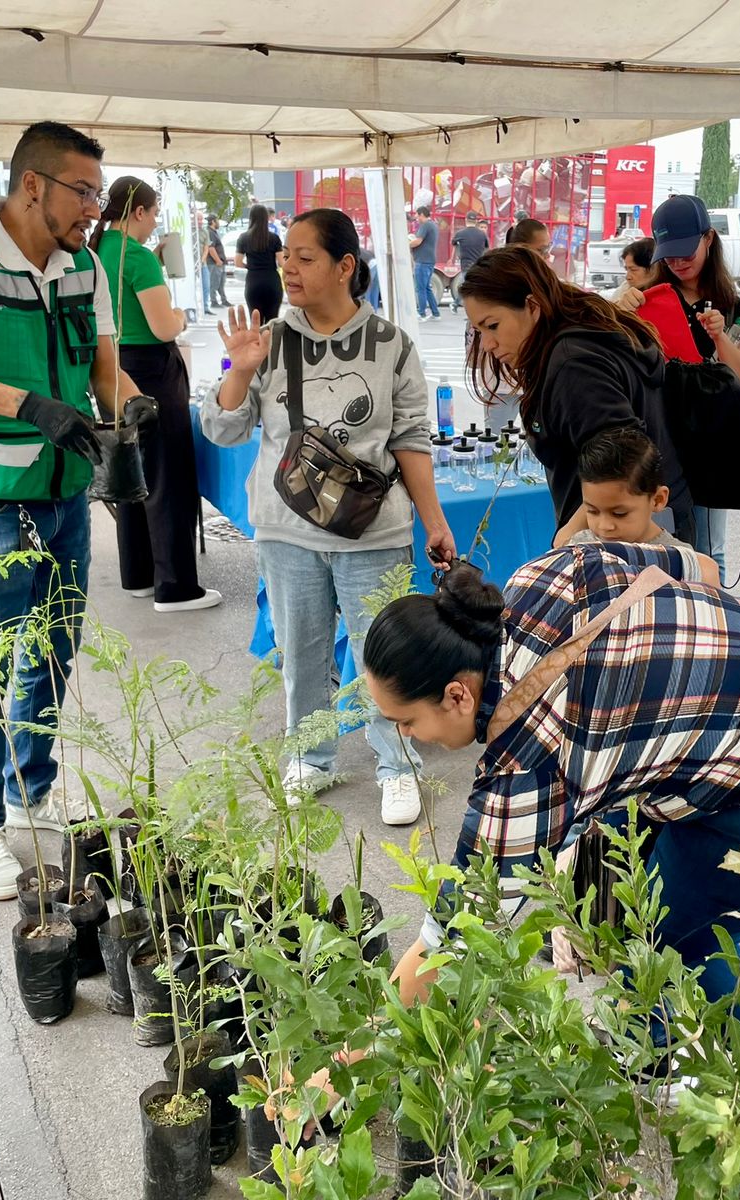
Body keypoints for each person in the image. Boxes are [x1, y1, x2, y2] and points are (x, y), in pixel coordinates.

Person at [361, 544, 740, 1046]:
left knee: (665, 941)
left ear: (457, 695)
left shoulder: (528, 761)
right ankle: (656, 1045)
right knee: (627, 897)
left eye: (404, 722)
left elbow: (450, 942)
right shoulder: (544, 576)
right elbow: (701, 570)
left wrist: (340, 1066)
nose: (406, 738)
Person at [0, 121, 147, 900]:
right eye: (84, 193)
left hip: (66, 494)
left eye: (101, 195)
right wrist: (27, 405)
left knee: (51, 650)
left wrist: (133, 408)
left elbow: (107, 370)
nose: (95, 211)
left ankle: (29, 790)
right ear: (33, 184)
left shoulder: (86, 265)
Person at [206, 208, 454, 827]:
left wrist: (434, 521)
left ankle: (397, 765)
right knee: (302, 650)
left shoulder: (392, 345)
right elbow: (224, 428)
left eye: (304, 256)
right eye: (284, 254)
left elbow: (411, 438)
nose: (287, 265)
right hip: (286, 530)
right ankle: (310, 758)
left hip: (374, 529)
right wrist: (239, 368)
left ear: (345, 266)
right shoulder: (268, 340)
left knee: (384, 653)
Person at [459, 245, 676, 538]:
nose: (487, 344)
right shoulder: (583, 333)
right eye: (478, 331)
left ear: (533, 306)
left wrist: (566, 539)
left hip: (615, 544)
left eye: (493, 326)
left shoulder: (574, 364)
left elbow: (623, 457)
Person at [91, 177, 220, 614]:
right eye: (154, 213)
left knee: (132, 469)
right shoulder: (139, 257)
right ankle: (176, 586)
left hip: (113, 366)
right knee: (168, 475)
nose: (154, 224)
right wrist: (180, 315)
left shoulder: (98, 250)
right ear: (140, 212)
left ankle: (140, 575)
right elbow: (164, 325)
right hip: (152, 370)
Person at [648, 194, 740, 576]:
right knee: (660, 549)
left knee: (710, 551)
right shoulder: (650, 303)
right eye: (669, 255)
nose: (677, 263)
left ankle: (713, 626)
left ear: (708, 239)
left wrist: (721, 339)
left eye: (686, 252)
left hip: (712, 446)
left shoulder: (734, 309)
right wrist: (621, 308)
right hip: (659, 443)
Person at [557, 427, 718, 587]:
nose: (605, 526)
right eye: (592, 511)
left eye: (619, 513)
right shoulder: (580, 546)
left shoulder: (681, 562)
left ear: (657, 500)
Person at [235, 204, 284, 322]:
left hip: (253, 281)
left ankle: (257, 341)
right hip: (272, 280)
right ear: (266, 218)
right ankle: (271, 340)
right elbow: (282, 262)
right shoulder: (274, 238)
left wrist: (250, 266)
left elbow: (238, 262)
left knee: (255, 321)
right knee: (272, 320)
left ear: (251, 217)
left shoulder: (243, 238)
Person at [599, 237, 658, 310]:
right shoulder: (625, 289)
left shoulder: (665, 295)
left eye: (633, 270)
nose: (627, 277)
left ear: (653, 269)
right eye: (626, 269)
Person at [449, 211, 489, 310]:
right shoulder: (482, 235)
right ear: (476, 221)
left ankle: (459, 305)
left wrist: (454, 257)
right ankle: (458, 305)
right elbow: (487, 248)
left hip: (466, 265)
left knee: (467, 288)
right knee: (473, 289)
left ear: (466, 220)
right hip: (478, 265)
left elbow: (453, 243)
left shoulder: (460, 234)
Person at [409, 204, 441, 321]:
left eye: (417, 215)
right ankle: (435, 313)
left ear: (422, 214)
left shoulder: (425, 225)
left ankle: (421, 313)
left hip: (422, 261)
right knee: (427, 288)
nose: (416, 218)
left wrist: (406, 244)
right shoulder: (433, 225)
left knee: (421, 288)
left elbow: (417, 241)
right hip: (429, 260)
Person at [203, 216, 230, 310]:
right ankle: (213, 301)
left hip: (220, 262)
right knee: (214, 282)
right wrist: (218, 260)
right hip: (214, 263)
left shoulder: (214, 232)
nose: (218, 222)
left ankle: (224, 300)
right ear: (213, 221)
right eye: (217, 220)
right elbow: (211, 248)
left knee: (221, 283)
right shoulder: (210, 232)